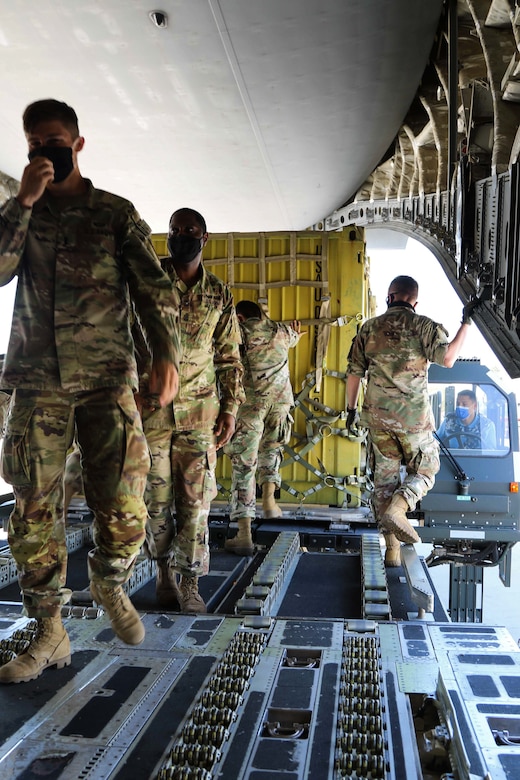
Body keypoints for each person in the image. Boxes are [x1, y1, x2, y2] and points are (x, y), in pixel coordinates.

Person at [0, 99, 180, 684]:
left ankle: (108, 580)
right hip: (38, 382)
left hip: (106, 381)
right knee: (31, 509)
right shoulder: (20, 213)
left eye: (53, 141)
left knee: (127, 504)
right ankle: (50, 631)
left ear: (78, 144)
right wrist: (22, 203)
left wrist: (166, 358)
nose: (43, 152)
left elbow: (154, 292)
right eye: (33, 144)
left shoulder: (114, 214)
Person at [138, 207, 244, 613]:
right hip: (153, 415)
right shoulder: (147, 283)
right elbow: (123, 342)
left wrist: (231, 409)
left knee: (196, 504)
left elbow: (230, 358)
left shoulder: (219, 294)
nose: (181, 235)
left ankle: (190, 583)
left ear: (205, 238)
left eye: (190, 230)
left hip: (200, 416)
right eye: (174, 230)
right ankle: (163, 573)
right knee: (157, 501)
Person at [346, 275, 479, 567]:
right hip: (413, 421)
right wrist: (465, 324)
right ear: (414, 302)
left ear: (389, 297)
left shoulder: (368, 329)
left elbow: (354, 372)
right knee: (427, 469)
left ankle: (391, 550)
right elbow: (448, 358)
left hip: (378, 420)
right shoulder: (424, 326)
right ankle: (401, 505)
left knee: (383, 482)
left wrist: (351, 410)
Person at [224, 301, 302, 555]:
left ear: (240, 316)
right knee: (272, 451)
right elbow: (294, 338)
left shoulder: (241, 332)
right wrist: (296, 333)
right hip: (281, 403)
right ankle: (269, 503)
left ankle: (244, 534)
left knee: (244, 463)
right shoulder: (281, 331)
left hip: (253, 403)